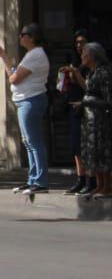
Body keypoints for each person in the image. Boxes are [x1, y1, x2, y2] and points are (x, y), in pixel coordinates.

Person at [0, 24, 50, 195]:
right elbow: (14, 74)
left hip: (31, 100)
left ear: (32, 37)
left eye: (23, 34)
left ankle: (40, 181)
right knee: (28, 142)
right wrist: (4, 56)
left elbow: (14, 78)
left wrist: (6, 60)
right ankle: (33, 179)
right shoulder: (31, 55)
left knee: (34, 142)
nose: (20, 37)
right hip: (25, 100)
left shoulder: (35, 55)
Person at [60, 30, 93, 194]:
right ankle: (80, 178)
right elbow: (69, 85)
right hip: (73, 106)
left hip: (87, 108)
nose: (80, 46)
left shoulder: (91, 65)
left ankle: (90, 180)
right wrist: (64, 79)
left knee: (86, 146)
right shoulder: (76, 62)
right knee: (75, 146)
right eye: (77, 43)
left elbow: (87, 87)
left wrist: (76, 73)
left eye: (83, 42)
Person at [77, 42, 112, 198]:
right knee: (92, 153)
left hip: (101, 121)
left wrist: (87, 102)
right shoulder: (91, 73)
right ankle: (99, 185)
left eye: (85, 54)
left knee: (102, 152)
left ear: (92, 56)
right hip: (90, 122)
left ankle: (107, 186)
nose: (82, 56)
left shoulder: (104, 72)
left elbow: (108, 100)